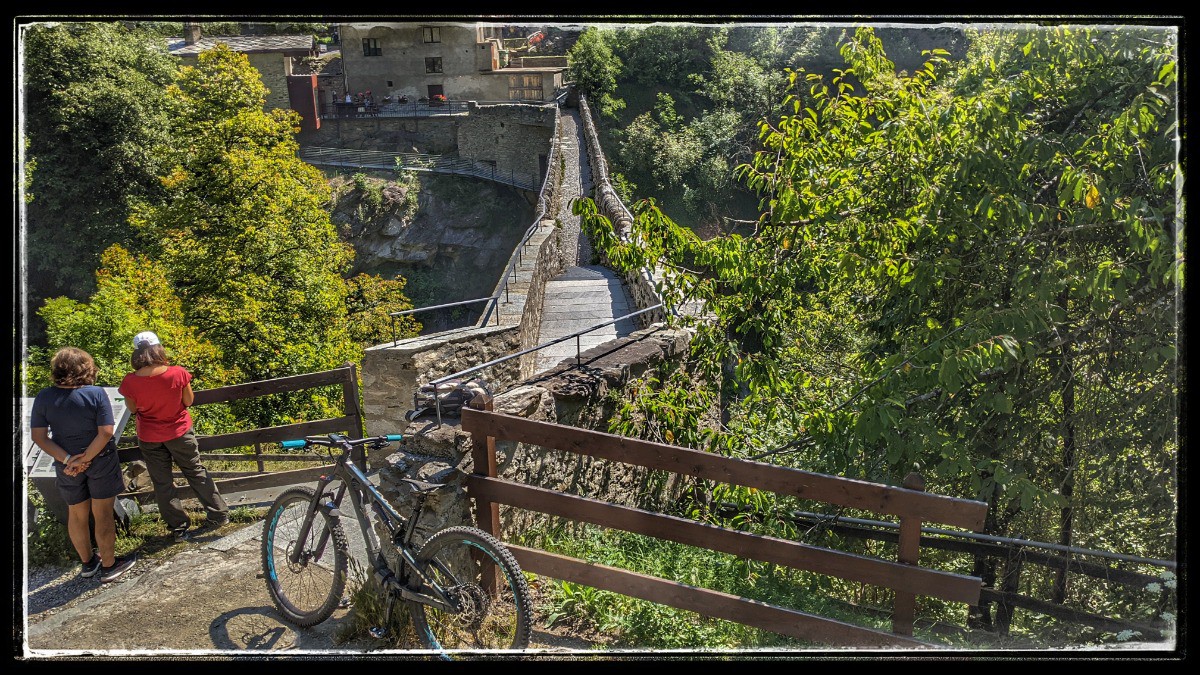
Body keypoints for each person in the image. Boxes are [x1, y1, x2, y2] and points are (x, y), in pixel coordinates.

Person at [30, 347, 137, 583]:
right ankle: (109, 565)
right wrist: (86, 457)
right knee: (103, 514)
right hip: (100, 460)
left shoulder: (44, 397)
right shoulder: (95, 394)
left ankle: (88, 564)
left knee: (76, 514)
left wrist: (70, 461)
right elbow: (106, 432)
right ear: (86, 368)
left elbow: (39, 437)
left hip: (66, 464)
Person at [118, 331, 229, 542]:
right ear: (158, 348)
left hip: (150, 436)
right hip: (179, 432)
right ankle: (218, 513)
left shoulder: (130, 382)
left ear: (137, 353)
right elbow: (188, 401)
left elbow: (132, 409)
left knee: (162, 482)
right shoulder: (177, 373)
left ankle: (178, 526)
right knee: (195, 471)